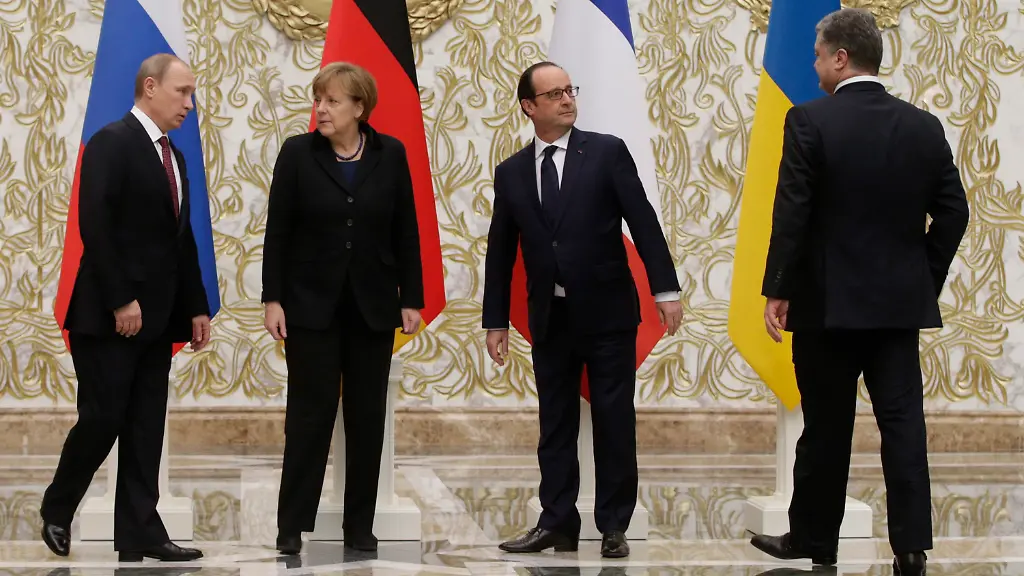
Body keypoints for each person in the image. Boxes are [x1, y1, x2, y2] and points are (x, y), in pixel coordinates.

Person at [749, 9, 969, 576]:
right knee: (903, 425)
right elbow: (954, 212)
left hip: (826, 307)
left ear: (841, 58)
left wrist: (777, 288)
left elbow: (792, 214)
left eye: (818, 55)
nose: (814, 65)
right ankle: (911, 549)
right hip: (897, 309)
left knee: (826, 427)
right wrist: (922, 277)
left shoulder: (809, 120)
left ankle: (815, 540)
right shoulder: (923, 126)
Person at [482, 61, 682, 559]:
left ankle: (613, 525)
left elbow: (643, 221)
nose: (567, 99)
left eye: (569, 90)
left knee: (614, 419)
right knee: (555, 423)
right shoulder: (512, 172)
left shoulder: (607, 153)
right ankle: (556, 522)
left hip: (608, 312)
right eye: (553, 94)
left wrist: (665, 289)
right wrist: (495, 320)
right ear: (529, 107)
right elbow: (500, 251)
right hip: (551, 317)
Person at [41, 53, 211, 562]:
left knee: (145, 427)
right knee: (103, 418)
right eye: (182, 92)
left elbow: (182, 241)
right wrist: (122, 299)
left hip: (159, 318)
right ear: (150, 88)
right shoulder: (111, 142)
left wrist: (196, 307)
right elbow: (95, 224)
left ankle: (141, 532)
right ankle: (57, 506)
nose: (189, 103)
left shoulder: (175, 157)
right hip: (107, 316)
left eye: (191, 93)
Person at [261, 61, 424, 555]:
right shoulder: (298, 153)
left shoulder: (390, 154)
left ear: (359, 106)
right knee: (307, 417)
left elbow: (406, 229)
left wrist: (412, 298)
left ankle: (359, 526)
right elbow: (278, 232)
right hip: (310, 307)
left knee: (367, 418)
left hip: (373, 307)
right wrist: (273, 298)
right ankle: (291, 525)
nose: (322, 109)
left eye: (332, 101)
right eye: (319, 99)